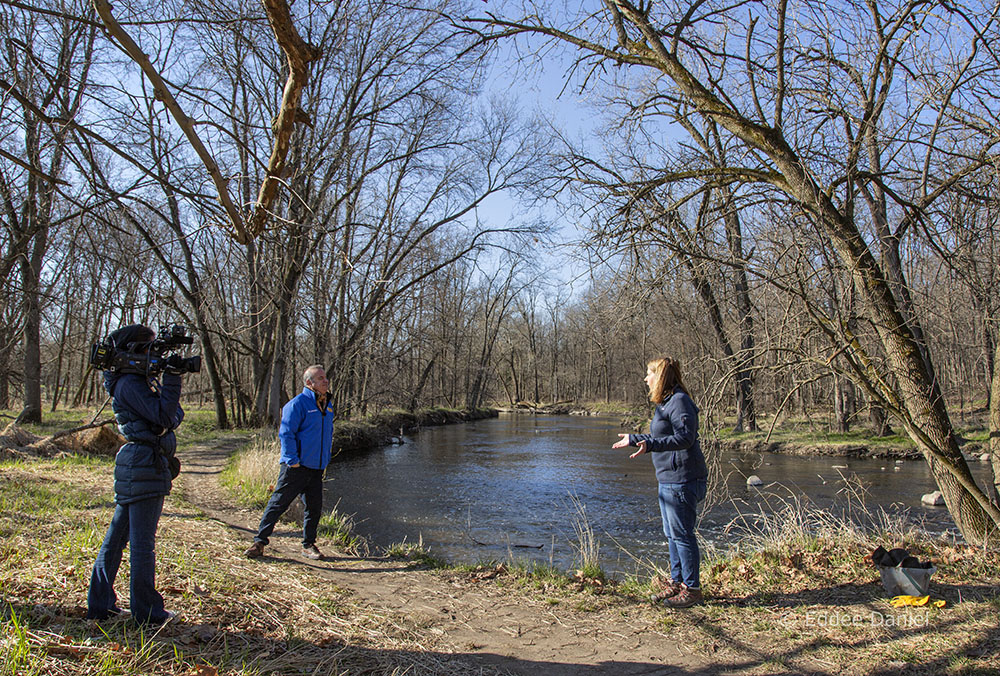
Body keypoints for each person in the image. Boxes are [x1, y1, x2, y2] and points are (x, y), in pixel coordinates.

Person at [87, 324, 184, 625]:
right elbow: (168, 416)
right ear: (134, 350)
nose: (152, 355)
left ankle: (101, 604)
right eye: (148, 348)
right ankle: (148, 613)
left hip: (142, 464)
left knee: (116, 539)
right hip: (143, 464)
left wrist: (167, 403)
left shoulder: (132, 381)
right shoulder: (130, 384)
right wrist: (173, 380)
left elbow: (170, 417)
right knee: (143, 544)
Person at [612, 357, 708, 608]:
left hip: (683, 479)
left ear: (660, 377)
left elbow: (685, 438)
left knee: (682, 535)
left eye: (649, 374)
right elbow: (659, 437)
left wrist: (651, 444)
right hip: (668, 479)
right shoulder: (665, 404)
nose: (646, 379)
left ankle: (692, 589)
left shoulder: (679, 402)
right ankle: (677, 584)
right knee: (672, 534)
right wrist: (634, 439)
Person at [244, 365, 334, 561]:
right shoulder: (297, 404)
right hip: (296, 468)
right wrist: (293, 461)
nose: (325, 381)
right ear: (309, 383)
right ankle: (259, 542)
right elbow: (286, 434)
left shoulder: (327, 405)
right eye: (321, 378)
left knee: (314, 507)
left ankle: (308, 545)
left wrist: (325, 459)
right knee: (278, 504)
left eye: (325, 377)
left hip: (316, 467)